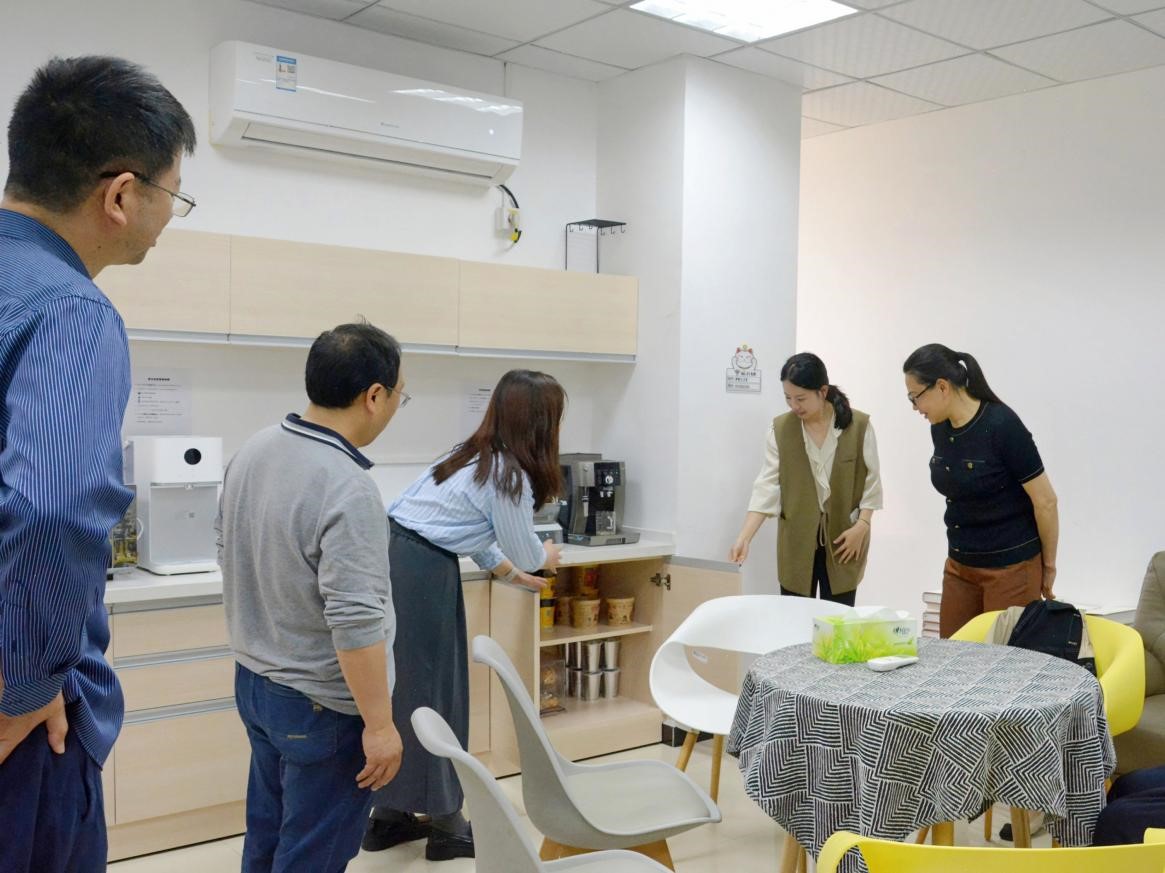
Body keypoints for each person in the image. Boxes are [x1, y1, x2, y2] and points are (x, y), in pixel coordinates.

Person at [0, 56, 195, 872]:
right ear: (121, 195)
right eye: (174, 195)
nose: (169, 217)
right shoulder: (71, 311)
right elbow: (50, 508)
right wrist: (23, 688)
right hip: (23, 733)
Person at [217, 322, 406, 872]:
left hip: (257, 683)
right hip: (323, 705)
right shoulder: (347, 484)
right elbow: (355, 620)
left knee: (268, 837)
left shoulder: (254, 449)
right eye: (400, 395)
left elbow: (226, 548)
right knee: (312, 856)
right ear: (374, 395)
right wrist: (380, 726)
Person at [363, 369, 564, 861]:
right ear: (541, 423)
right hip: (424, 571)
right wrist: (543, 557)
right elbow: (526, 547)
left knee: (408, 689)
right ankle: (446, 822)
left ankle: (389, 815)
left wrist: (509, 572)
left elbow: (464, 528)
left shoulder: (470, 456)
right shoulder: (509, 475)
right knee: (436, 696)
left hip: (403, 558)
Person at [903, 343, 1058, 638]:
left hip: (1011, 568)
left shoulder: (1002, 425)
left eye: (915, 397)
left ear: (942, 387)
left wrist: (1048, 566)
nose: (915, 407)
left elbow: (1046, 501)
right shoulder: (940, 428)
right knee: (953, 655)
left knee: (1003, 661)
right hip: (960, 565)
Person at [730, 352, 882, 606]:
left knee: (839, 618)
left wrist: (863, 525)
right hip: (796, 540)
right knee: (795, 617)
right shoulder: (780, 430)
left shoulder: (859, 426)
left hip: (845, 539)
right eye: (788, 398)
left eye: (800, 398)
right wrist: (744, 537)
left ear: (822, 391)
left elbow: (872, 482)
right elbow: (767, 486)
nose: (794, 406)